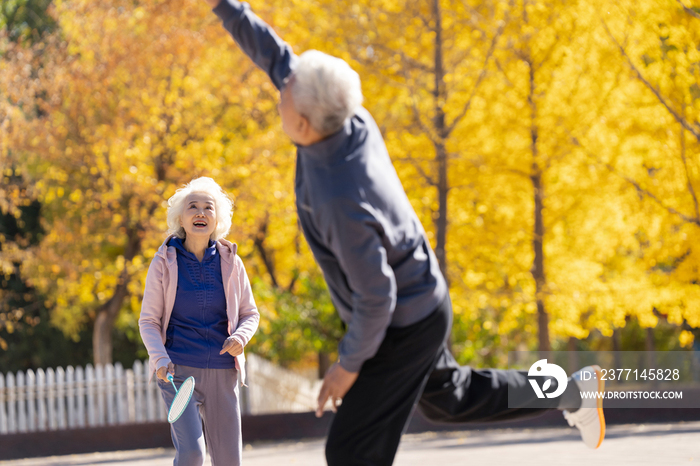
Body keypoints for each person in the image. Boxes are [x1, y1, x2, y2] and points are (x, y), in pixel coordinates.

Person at [201, 0, 606, 464]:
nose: (281, 86)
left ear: (302, 124)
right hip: (424, 296)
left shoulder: (340, 196)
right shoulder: (346, 116)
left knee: (352, 449)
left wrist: (346, 367)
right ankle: (571, 389)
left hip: (402, 324)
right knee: (450, 399)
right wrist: (225, 6)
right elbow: (276, 56)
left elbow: (377, 298)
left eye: (286, 91)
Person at [139, 177, 259, 466]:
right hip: (177, 372)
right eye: (193, 207)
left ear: (217, 219)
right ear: (181, 217)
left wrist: (240, 337)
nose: (201, 212)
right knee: (192, 454)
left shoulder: (232, 262)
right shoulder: (164, 261)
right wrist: (159, 359)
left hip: (222, 370)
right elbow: (149, 320)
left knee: (229, 460)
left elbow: (250, 313)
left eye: (209, 207)